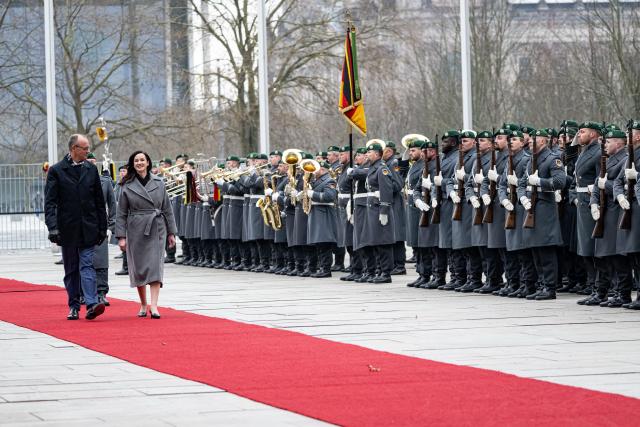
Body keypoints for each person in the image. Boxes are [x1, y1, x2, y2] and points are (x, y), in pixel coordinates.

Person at [44, 134, 108, 320]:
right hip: (67, 228)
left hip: (88, 227)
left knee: (87, 264)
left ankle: (91, 303)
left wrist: (102, 228)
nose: (88, 151)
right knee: (72, 268)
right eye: (85, 148)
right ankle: (73, 305)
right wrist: (53, 228)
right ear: (74, 149)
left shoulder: (91, 169)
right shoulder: (57, 171)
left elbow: (98, 201)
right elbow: (50, 203)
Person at [115, 151, 178, 319]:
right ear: (133, 164)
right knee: (139, 268)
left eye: (142, 160)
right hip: (135, 229)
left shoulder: (159, 182)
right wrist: (121, 237)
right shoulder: (126, 185)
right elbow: (120, 213)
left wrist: (172, 232)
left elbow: (167, 209)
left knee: (155, 266)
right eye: (136, 160)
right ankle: (143, 303)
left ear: (148, 162)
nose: (139, 163)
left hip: (157, 226)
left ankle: (154, 306)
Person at [86, 153, 117, 306]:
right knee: (85, 261)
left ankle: (102, 292)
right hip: (83, 225)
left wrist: (111, 226)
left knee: (101, 261)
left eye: (93, 162)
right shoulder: (78, 181)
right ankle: (84, 293)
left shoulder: (105, 182)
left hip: (100, 225)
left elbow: (112, 205)